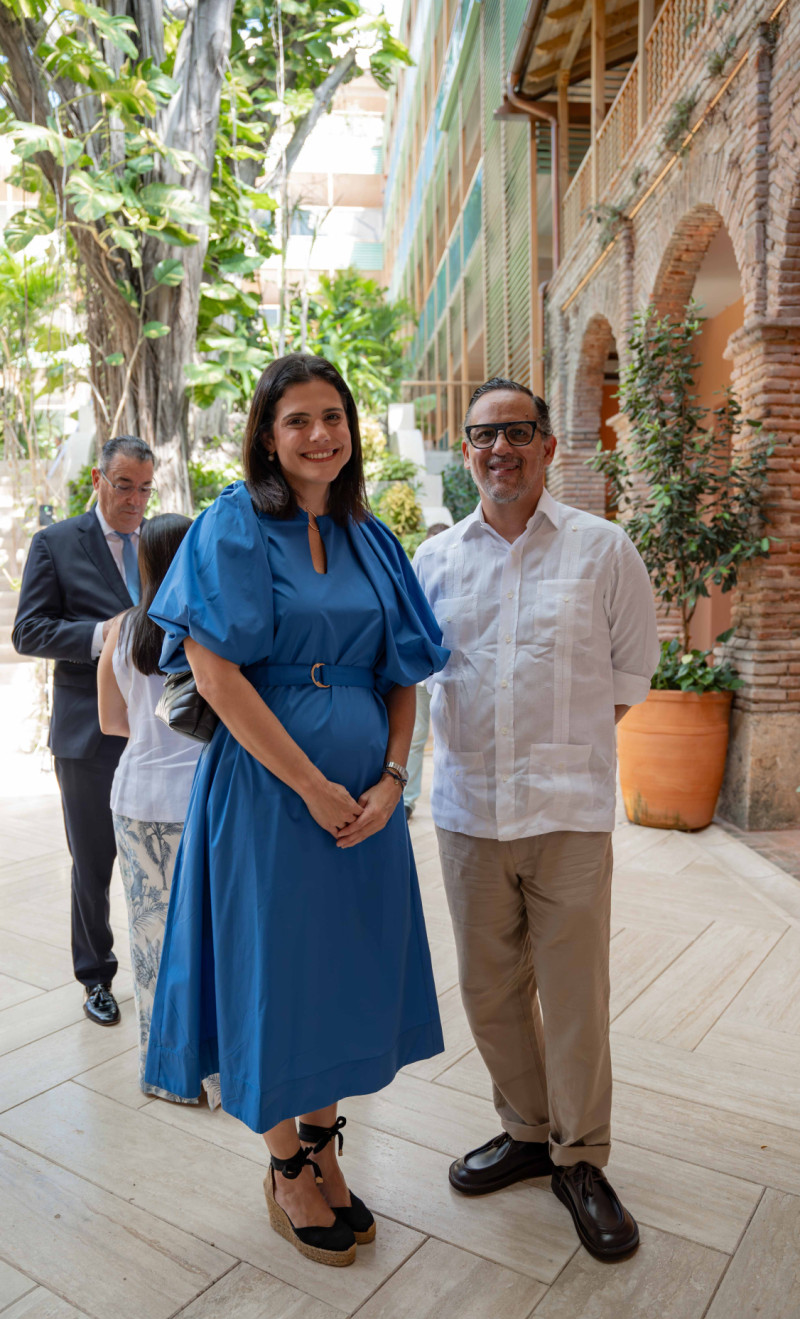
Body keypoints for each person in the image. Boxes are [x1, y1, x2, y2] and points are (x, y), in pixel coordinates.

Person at [144, 353, 449, 1268]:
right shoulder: (232, 526)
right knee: (273, 975)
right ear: (267, 439)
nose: (320, 435)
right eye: (297, 420)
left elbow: (403, 670)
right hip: (272, 798)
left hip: (369, 804)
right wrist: (311, 784)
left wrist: (394, 778)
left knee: (345, 973)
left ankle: (322, 1143)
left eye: (333, 416)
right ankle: (284, 1164)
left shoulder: (374, 536)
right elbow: (215, 672)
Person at [413, 376, 660, 1261]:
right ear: (466, 452)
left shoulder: (604, 550)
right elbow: (414, 679)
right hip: (469, 816)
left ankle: (582, 1158)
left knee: (576, 996)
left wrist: (561, 756)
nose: (499, 449)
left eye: (518, 432)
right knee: (487, 990)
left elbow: (630, 677)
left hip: (567, 818)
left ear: (550, 447)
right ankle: (527, 1129)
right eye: (483, 435)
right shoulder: (433, 562)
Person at [12, 436, 156, 1026]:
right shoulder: (54, 543)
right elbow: (29, 631)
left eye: (145, 488)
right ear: (98, 478)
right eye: (124, 485)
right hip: (86, 733)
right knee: (92, 863)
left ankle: (167, 976)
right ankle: (96, 978)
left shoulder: (161, 542)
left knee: (161, 856)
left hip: (158, 732)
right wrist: (103, 636)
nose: (135, 500)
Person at [97, 513, 220, 1108]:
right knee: (207, 938)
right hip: (199, 797)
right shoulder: (205, 622)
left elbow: (111, 721)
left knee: (149, 942)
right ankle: (216, 1074)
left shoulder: (121, 629)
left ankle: (163, 1074)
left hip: (136, 798)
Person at [403, 523, 450, 822]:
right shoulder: (418, 568)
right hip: (418, 674)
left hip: (445, 673)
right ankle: (407, 798)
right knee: (416, 736)